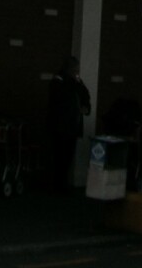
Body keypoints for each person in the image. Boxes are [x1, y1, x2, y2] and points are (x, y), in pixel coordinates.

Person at [45, 55, 91, 191]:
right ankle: (57, 184)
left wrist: (86, 107)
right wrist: (75, 83)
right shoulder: (58, 80)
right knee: (59, 156)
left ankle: (63, 183)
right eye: (75, 69)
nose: (77, 72)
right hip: (60, 126)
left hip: (73, 125)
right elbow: (61, 97)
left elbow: (85, 94)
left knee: (69, 156)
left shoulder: (77, 81)